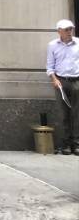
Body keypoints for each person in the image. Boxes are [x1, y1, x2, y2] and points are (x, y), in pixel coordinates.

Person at [46, 19, 79, 155]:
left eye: (71, 29)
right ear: (59, 31)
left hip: (76, 81)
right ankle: (66, 143)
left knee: (77, 113)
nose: (69, 31)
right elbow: (49, 66)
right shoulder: (52, 45)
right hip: (60, 81)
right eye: (66, 29)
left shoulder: (78, 43)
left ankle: (76, 143)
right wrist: (54, 79)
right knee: (63, 113)